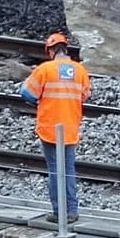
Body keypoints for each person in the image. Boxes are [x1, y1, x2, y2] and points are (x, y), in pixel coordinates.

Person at [21, 32, 92, 223]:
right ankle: (72, 211)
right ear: (65, 49)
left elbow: (27, 93)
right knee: (68, 169)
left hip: (49, 128)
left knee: (54, 170)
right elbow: (85, 96)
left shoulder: (45, 69)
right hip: (70, 127)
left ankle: (59, 212)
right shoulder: (80, 70)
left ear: (50, 51)